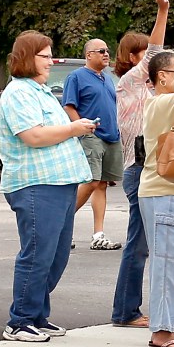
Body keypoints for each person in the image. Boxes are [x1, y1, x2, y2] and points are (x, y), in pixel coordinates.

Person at [0, 31, 96, 342]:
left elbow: (52, 132)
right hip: (36, 184)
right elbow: (34, 136)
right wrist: (74, 128)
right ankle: (20, 321)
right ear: (27, 58)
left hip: (60, 183)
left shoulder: (40, 91)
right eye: (44, 56)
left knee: (56, 255)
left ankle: (38, 315)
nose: (50, 61)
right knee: (38, 254)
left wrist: (76, 129)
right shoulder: (18, 93)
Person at [110, 0, 170, 328]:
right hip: (139, 169)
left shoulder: (151, 89)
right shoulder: (131, 83)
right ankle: (126, 311)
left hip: (148, 169)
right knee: (139, 244)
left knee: (142, 243)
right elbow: (156, 51)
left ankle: (127, 309)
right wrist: (162, 12)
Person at [139, 50, 174, 347]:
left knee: (169, 263)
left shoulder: (169, 103)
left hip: (168, 192)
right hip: (165, 193)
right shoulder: (163, 102)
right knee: (166, 265)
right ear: (163, 76)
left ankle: (166, 327)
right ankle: (161, 331)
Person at [62, 39, 123, 250]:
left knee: (102, 184)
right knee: (90, 181)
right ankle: (61, 226)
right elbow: (69, 106)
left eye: (108, 51)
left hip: (111, 137)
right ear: (89, 55)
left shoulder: (107, 79)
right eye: (102, 51)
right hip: (91, 136)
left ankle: (98, 235)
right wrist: (82, 127)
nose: (107, 54)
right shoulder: (76, 77)